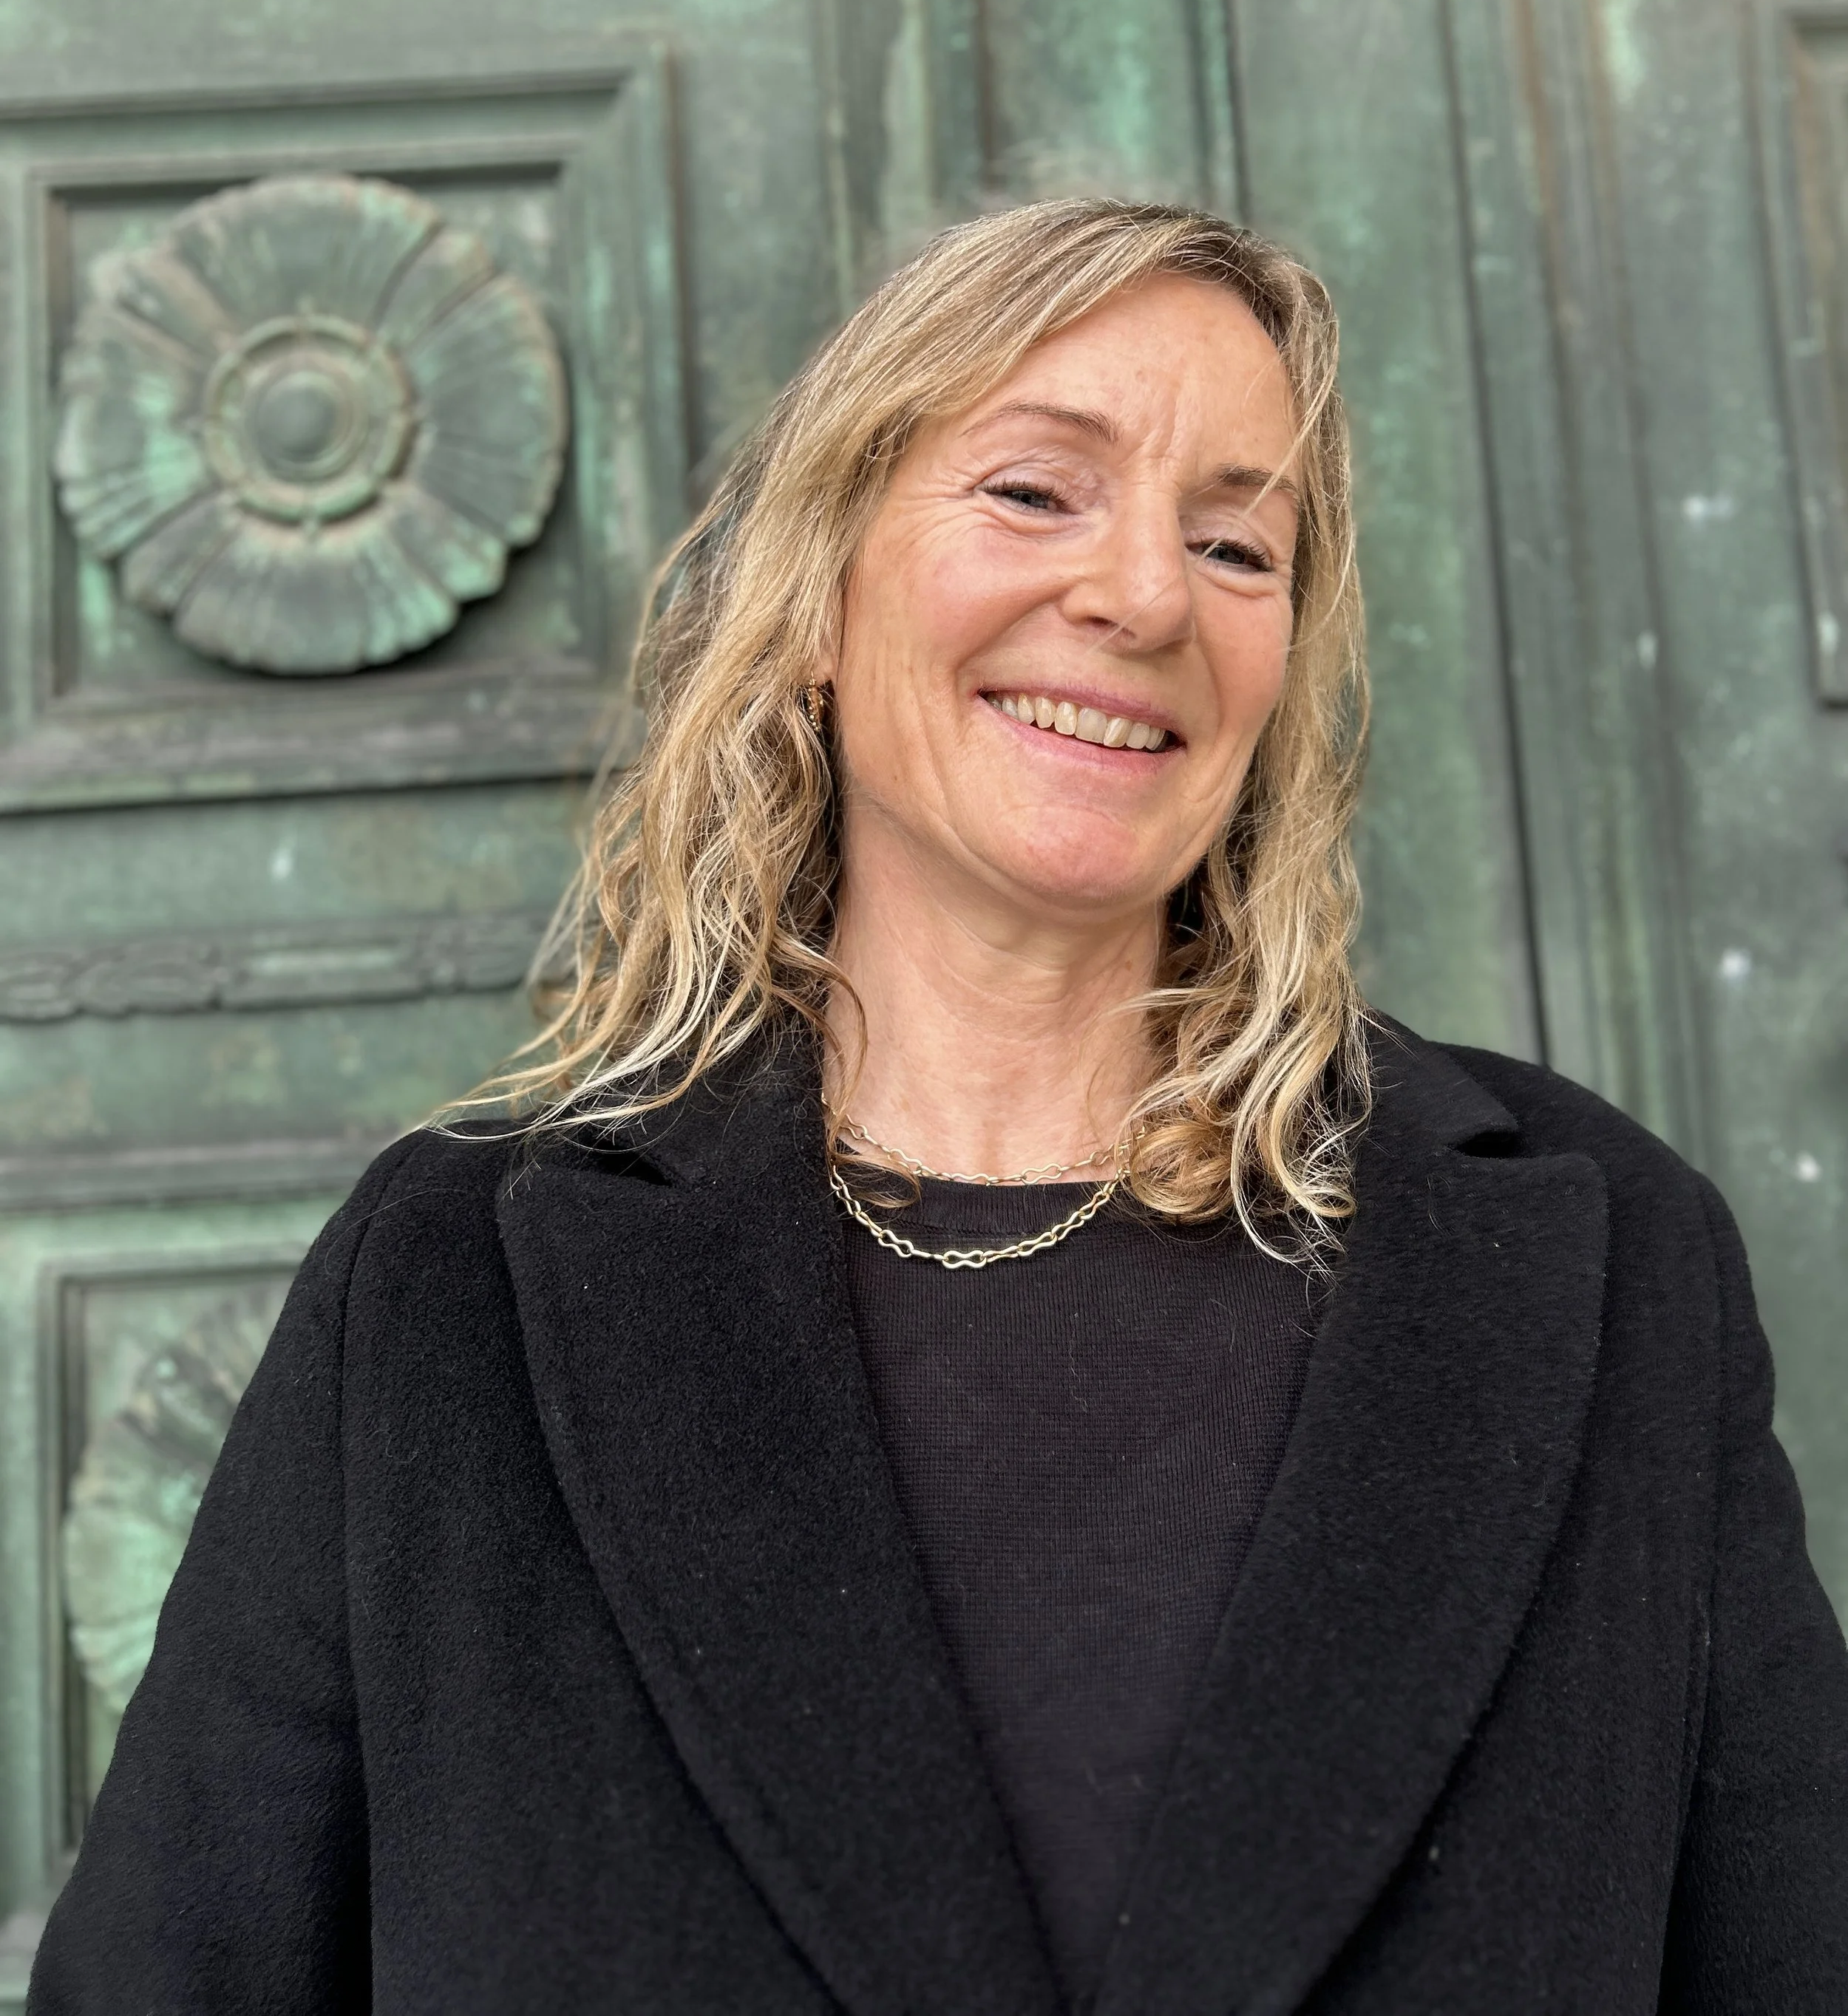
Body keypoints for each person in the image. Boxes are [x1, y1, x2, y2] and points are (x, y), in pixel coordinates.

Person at [29, 200, 1848, 2015]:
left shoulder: (1596, 1259)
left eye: (1233, 542)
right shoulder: (453, 1284)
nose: (1142, 596)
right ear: (820, 592)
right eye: (1031, 492)